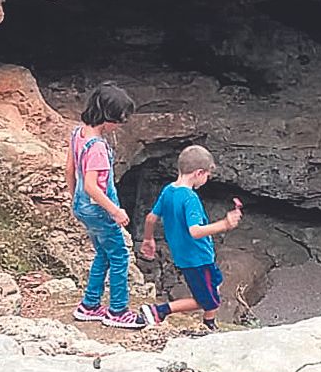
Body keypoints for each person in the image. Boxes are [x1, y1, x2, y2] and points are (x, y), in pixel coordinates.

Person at [67, 83, 149, 330]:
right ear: (107, 118)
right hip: (99, 208)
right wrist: (115, 211)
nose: (120, 126)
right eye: (120, 121)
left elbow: (70, 170)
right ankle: (118, 310)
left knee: (103, 253)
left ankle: (89, 305)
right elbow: (93, 186)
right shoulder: (98, 149)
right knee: (119, 255)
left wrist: (74, 200)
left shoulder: (78, 134)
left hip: (82, 205)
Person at [139, 145, 241, 331]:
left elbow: (150, 218)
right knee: (210, 301)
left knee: (215, 283)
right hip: (197, 258)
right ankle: (160, 311)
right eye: (207, 175)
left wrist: (148, 239)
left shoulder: (169, 190)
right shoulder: (190, 199)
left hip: (184, 255)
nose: (207, 179)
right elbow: (195, 231)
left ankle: (209, 322)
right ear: (199, 173)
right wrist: (225, 224)